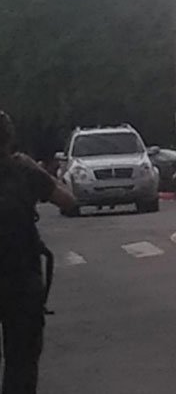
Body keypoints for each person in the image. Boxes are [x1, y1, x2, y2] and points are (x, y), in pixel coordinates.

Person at [0, 111, 76, 394]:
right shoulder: (24, 169)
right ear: (10, 138)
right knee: (21, 360)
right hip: (21, 278)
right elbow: (68, 202)